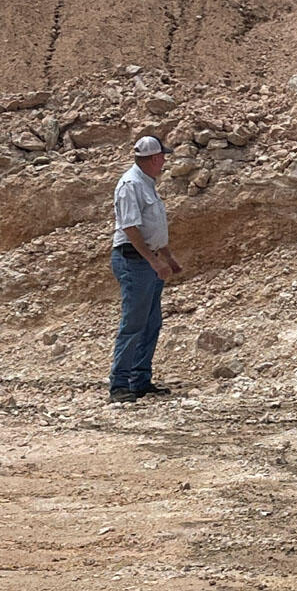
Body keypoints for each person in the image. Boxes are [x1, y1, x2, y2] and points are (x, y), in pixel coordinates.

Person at [108, 135, 183, 403]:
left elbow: (153, 229)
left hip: (146, 260)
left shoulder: (147, 183)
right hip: (133, 261)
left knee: (151, 322)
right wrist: (153, 261)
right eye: (163, 156)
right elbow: (130, 228)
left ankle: (139, 380)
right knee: (134, 323)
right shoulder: (131, 184)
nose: (165, 160)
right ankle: (119, 384)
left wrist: (167, 257)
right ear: (154, 158)